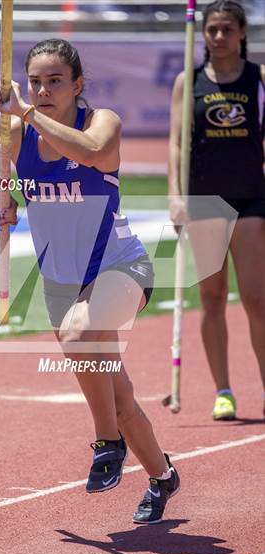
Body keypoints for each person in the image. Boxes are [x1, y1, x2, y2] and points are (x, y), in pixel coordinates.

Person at [0, 38, 180, 523]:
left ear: (78, 85)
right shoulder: (14, 133)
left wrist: (26, 114)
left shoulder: (102, 122)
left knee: (81, 335)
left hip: (121, 268)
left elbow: (96, 152)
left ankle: (106, 446)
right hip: (61, 283)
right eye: (35, 81)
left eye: (55, 80)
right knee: (121, 402)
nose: (42, 89)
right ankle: (162, 476)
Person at [169, 0, 265, 420]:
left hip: (250, 198)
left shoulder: (258, 79)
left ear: (242, 32)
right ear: (203, 34)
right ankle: (223, 390)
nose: (220, 37)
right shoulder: (187, 82)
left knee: (257, 299)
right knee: (211, 297)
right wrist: (175, 196)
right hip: (205, 199)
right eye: (213, 30)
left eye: (227, 29)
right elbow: (175, 144)